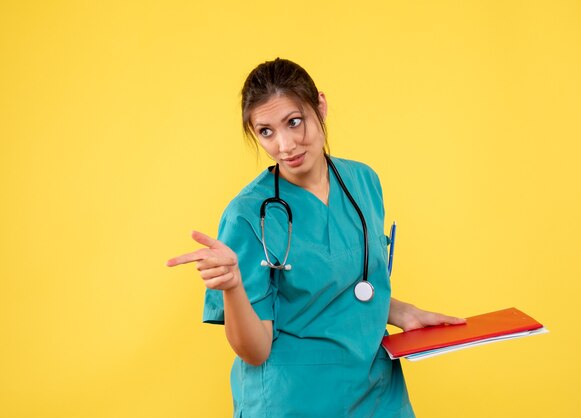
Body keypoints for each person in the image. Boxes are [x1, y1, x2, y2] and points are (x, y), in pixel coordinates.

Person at [167, 58, 465, 417]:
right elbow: (254, 350)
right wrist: (232, 287)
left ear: (320, 107)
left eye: (295, 122)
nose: (285, 144)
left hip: (376, 393)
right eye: (266, 132)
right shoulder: (248, 215)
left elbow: (345, 287)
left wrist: (403, 311)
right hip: (292, 400)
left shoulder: (363, 182)